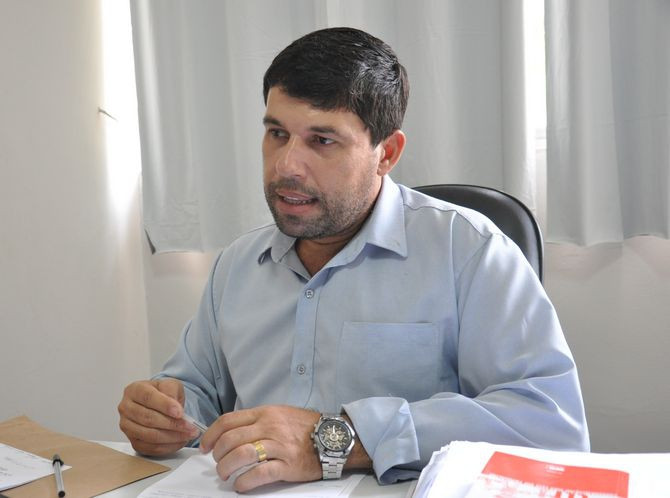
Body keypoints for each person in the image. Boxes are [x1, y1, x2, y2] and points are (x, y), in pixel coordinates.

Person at [118, 27, 589, 492]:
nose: (286, 166)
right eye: (277, 134)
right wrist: (164, 414)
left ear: (386, 153)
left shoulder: (469, 251)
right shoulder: (237, 264)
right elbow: (195, 392)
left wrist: (339, 439)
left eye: (322, 141)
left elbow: (550, 424)